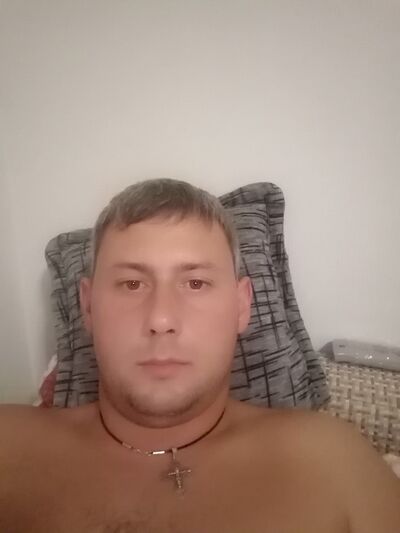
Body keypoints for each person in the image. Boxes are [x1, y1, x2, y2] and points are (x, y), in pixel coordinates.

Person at [0, 178, 399, 533]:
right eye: (132, 283)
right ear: (87, 306)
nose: (161, 319)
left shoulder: (332, 462)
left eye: (195, 283)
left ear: (242, 306)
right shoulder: (10, 446)